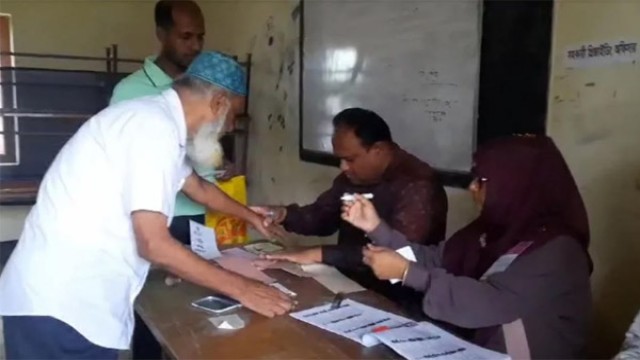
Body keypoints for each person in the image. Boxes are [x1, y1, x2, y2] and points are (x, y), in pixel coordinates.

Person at [0, 51, 293, 360]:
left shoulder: (153, 121)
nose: (230, 128)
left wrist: (251, 216)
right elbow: (153, 244)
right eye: (234, 115)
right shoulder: (153, 129)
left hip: (67, 305)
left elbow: (200, 188)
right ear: (219, 103)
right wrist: (244, 289)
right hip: (62, 310)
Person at [341, 135, 593, 359]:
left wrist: (408, 273)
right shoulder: (491, 229)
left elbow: (491, 303)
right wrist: (376, 228)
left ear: (519, 184)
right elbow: (434, 259)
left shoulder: (556, 249)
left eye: (482, 180)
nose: (472, 187)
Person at [254, 108, 448, 311]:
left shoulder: (418, 185)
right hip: (348, 286)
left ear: (378, 150)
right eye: (340, 159)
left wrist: (319, 254)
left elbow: (400, 254)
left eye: (350, 159)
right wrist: (284, 214)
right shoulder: (353, 178)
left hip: (399, 302)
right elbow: (323, 216)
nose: (343, 167)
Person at [110, 0, 240, 246]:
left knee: (206, 276)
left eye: (200, 37)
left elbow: (201, 149)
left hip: (206, 210)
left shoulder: (203, 89)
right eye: (186, 36)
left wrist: (220, 164)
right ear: (162, 34)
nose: (196, 46)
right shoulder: (129, 93)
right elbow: (131, 166)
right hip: (162, 216)